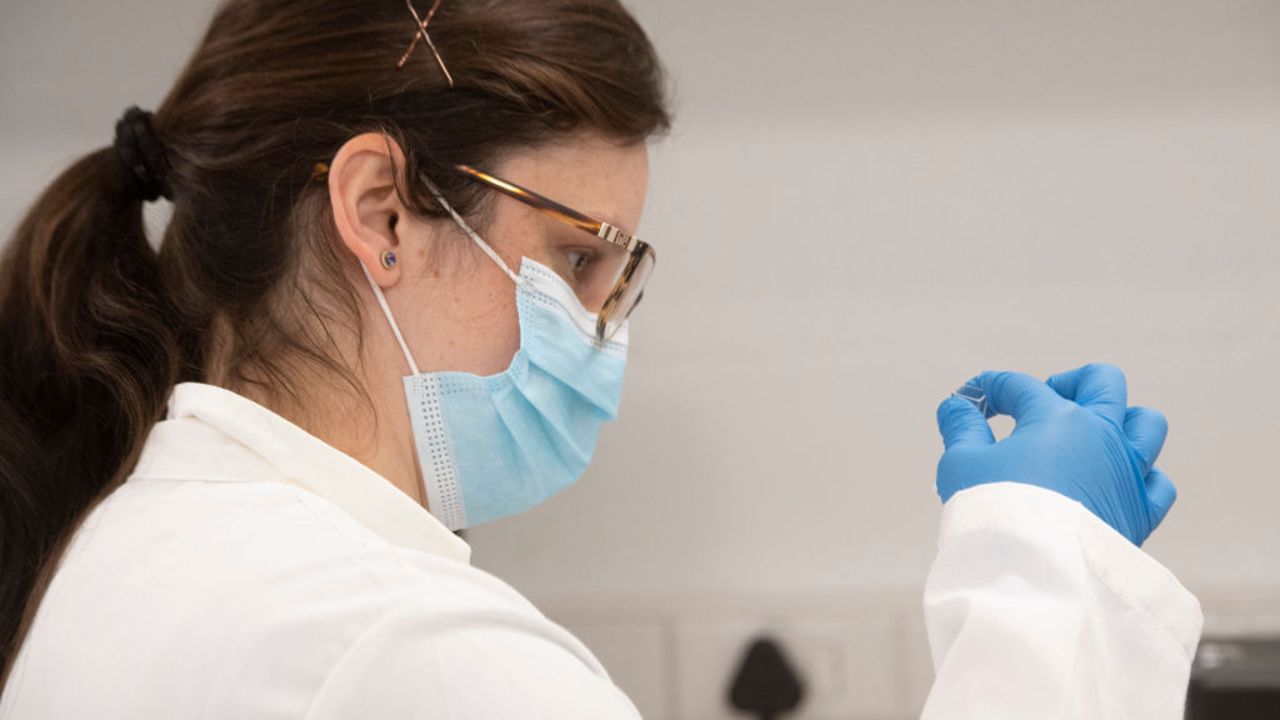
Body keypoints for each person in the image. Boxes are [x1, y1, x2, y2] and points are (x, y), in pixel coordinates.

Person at [0, 0, 1198, 717]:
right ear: (377, 210)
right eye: (577, 259)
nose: (601, 332)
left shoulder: (129, 548)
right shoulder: (394, 645)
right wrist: (1052, 574)